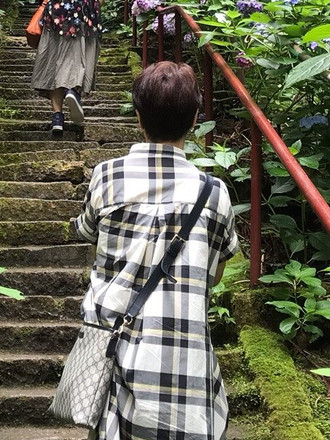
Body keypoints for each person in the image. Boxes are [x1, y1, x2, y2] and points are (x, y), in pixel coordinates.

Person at [72, 61, 240, 440]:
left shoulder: (107, 176)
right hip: (183, 357)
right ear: (195, 118)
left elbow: (87, 232)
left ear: (137, 116)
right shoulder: (214, 194)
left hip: (112, 349)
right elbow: (214, 273)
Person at [29, 0, 109, 136]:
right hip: (83, 19)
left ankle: (57, 116)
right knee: (78, 57)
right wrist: (92, 8)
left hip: (53, 19)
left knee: (53, 63)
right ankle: (73, 90)